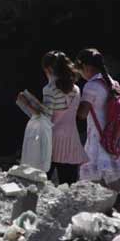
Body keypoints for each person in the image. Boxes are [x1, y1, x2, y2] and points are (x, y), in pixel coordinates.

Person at [76, 48, 120, 187]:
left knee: (97, 185)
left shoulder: (91, 86)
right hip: (114, 138)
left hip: (98, 139)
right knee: (115, 186)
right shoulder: (113, 83)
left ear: (86, 67)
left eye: (80, 70)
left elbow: (82, 114)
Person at [41, 51, 88, 185]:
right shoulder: (76, 89)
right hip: (71, 140)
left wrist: (30, 107)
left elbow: (46, 117)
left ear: (49, 69)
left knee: (40, 184)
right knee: (69, 186)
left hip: (51, 141)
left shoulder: (49, 89)